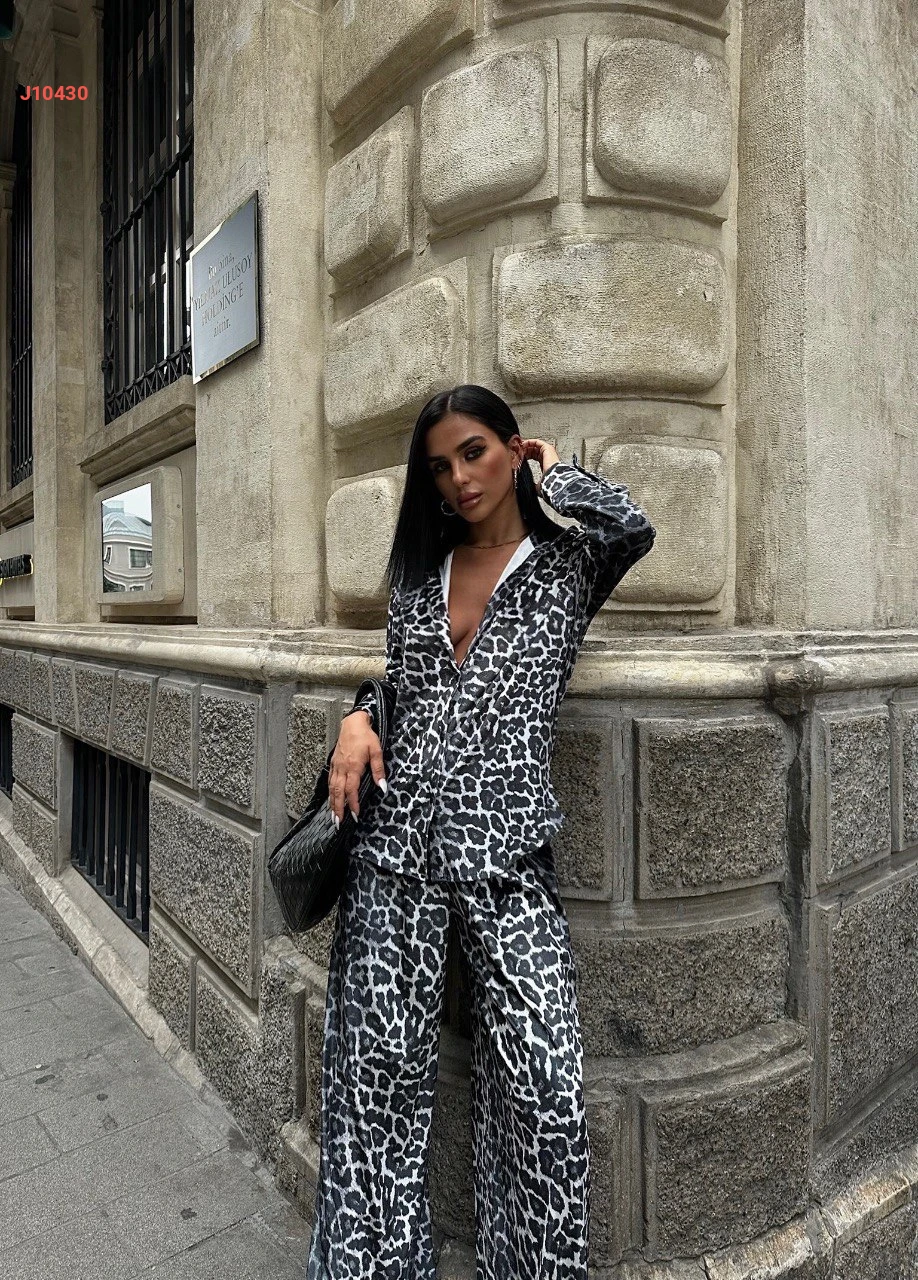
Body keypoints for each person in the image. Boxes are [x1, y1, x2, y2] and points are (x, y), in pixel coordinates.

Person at [306, 385, 656, 1280]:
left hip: (507, 859)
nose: (458, 479)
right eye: (439, 468)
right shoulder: (419, 577)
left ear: (510, 446)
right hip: (394, 856)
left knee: (545, 1088)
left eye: (474, 453)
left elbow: (633, 526)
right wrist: (360, 712)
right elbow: (404, 685)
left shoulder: (566, 567)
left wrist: (554, 474)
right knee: (372, 1090)